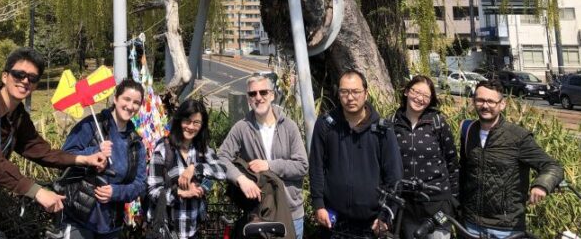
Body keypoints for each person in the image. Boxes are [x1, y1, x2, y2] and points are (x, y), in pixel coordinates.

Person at [0, 49, 108, 235]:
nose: (25, 81)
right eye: (19, 74)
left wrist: (84, 159)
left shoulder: (17, 117)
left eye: (32, 78)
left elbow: (41, 151)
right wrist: (37, 192)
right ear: (5, 76)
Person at [460, 78, 563, 238]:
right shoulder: (468, 130)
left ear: (502, 104)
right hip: (470, 224)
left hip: (505, 228)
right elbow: (463, 172)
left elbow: (552, 166)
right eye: (480, 100)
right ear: (473, 101)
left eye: (491, 101)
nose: (485, 105)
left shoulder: (518, 137)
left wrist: (542, 185)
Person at [309, 69, 403, 239]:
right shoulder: (325, 125)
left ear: (366, 94)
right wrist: (318, 204)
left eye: (355, 92)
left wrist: (386, 215)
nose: (350, 97)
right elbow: (316, 167)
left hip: (371, 222)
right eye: (344, 92)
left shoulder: (382, 130)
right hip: (334, 221)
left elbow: (394, 177)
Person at [218, 73, 309, 239]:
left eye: (263, 92)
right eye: (253, 94)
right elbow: (221, 158)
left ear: (272, 95)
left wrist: (269, 165)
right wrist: (241, 179)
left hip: (291, 212)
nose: (258, 97)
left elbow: (302, 165)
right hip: (259, 213)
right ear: (248, 98)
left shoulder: (289, 127)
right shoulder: (242, 128)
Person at [62, 78, 147, 239]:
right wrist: (94, 151)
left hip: (111, 223)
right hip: (78, 218)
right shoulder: (91, 126)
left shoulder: (136, 143)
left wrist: (116, 192)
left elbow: (140, 184)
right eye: (126, 99)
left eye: (136, 102)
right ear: (115, 99)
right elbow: (64, 157)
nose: (130, 106)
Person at [390, 75, 459, 239]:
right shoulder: (392, 122)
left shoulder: (437, 123)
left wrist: (454, 201)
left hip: (438, 204)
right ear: (407, 92)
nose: (419, 98)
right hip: (407, 205)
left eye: (426, 96)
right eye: (416, 92)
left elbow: (452, 164)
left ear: (430, 100)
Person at [146, 99, 226, 239]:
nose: (191, 127)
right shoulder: (164, 150)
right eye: (187, 121)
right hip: (167, 229)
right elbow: (152, 191)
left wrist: (195, 169)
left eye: (196, 123)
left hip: (192, 230)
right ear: (179, 121)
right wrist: (182, 193)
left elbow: (221, 171)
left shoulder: (202, 149)